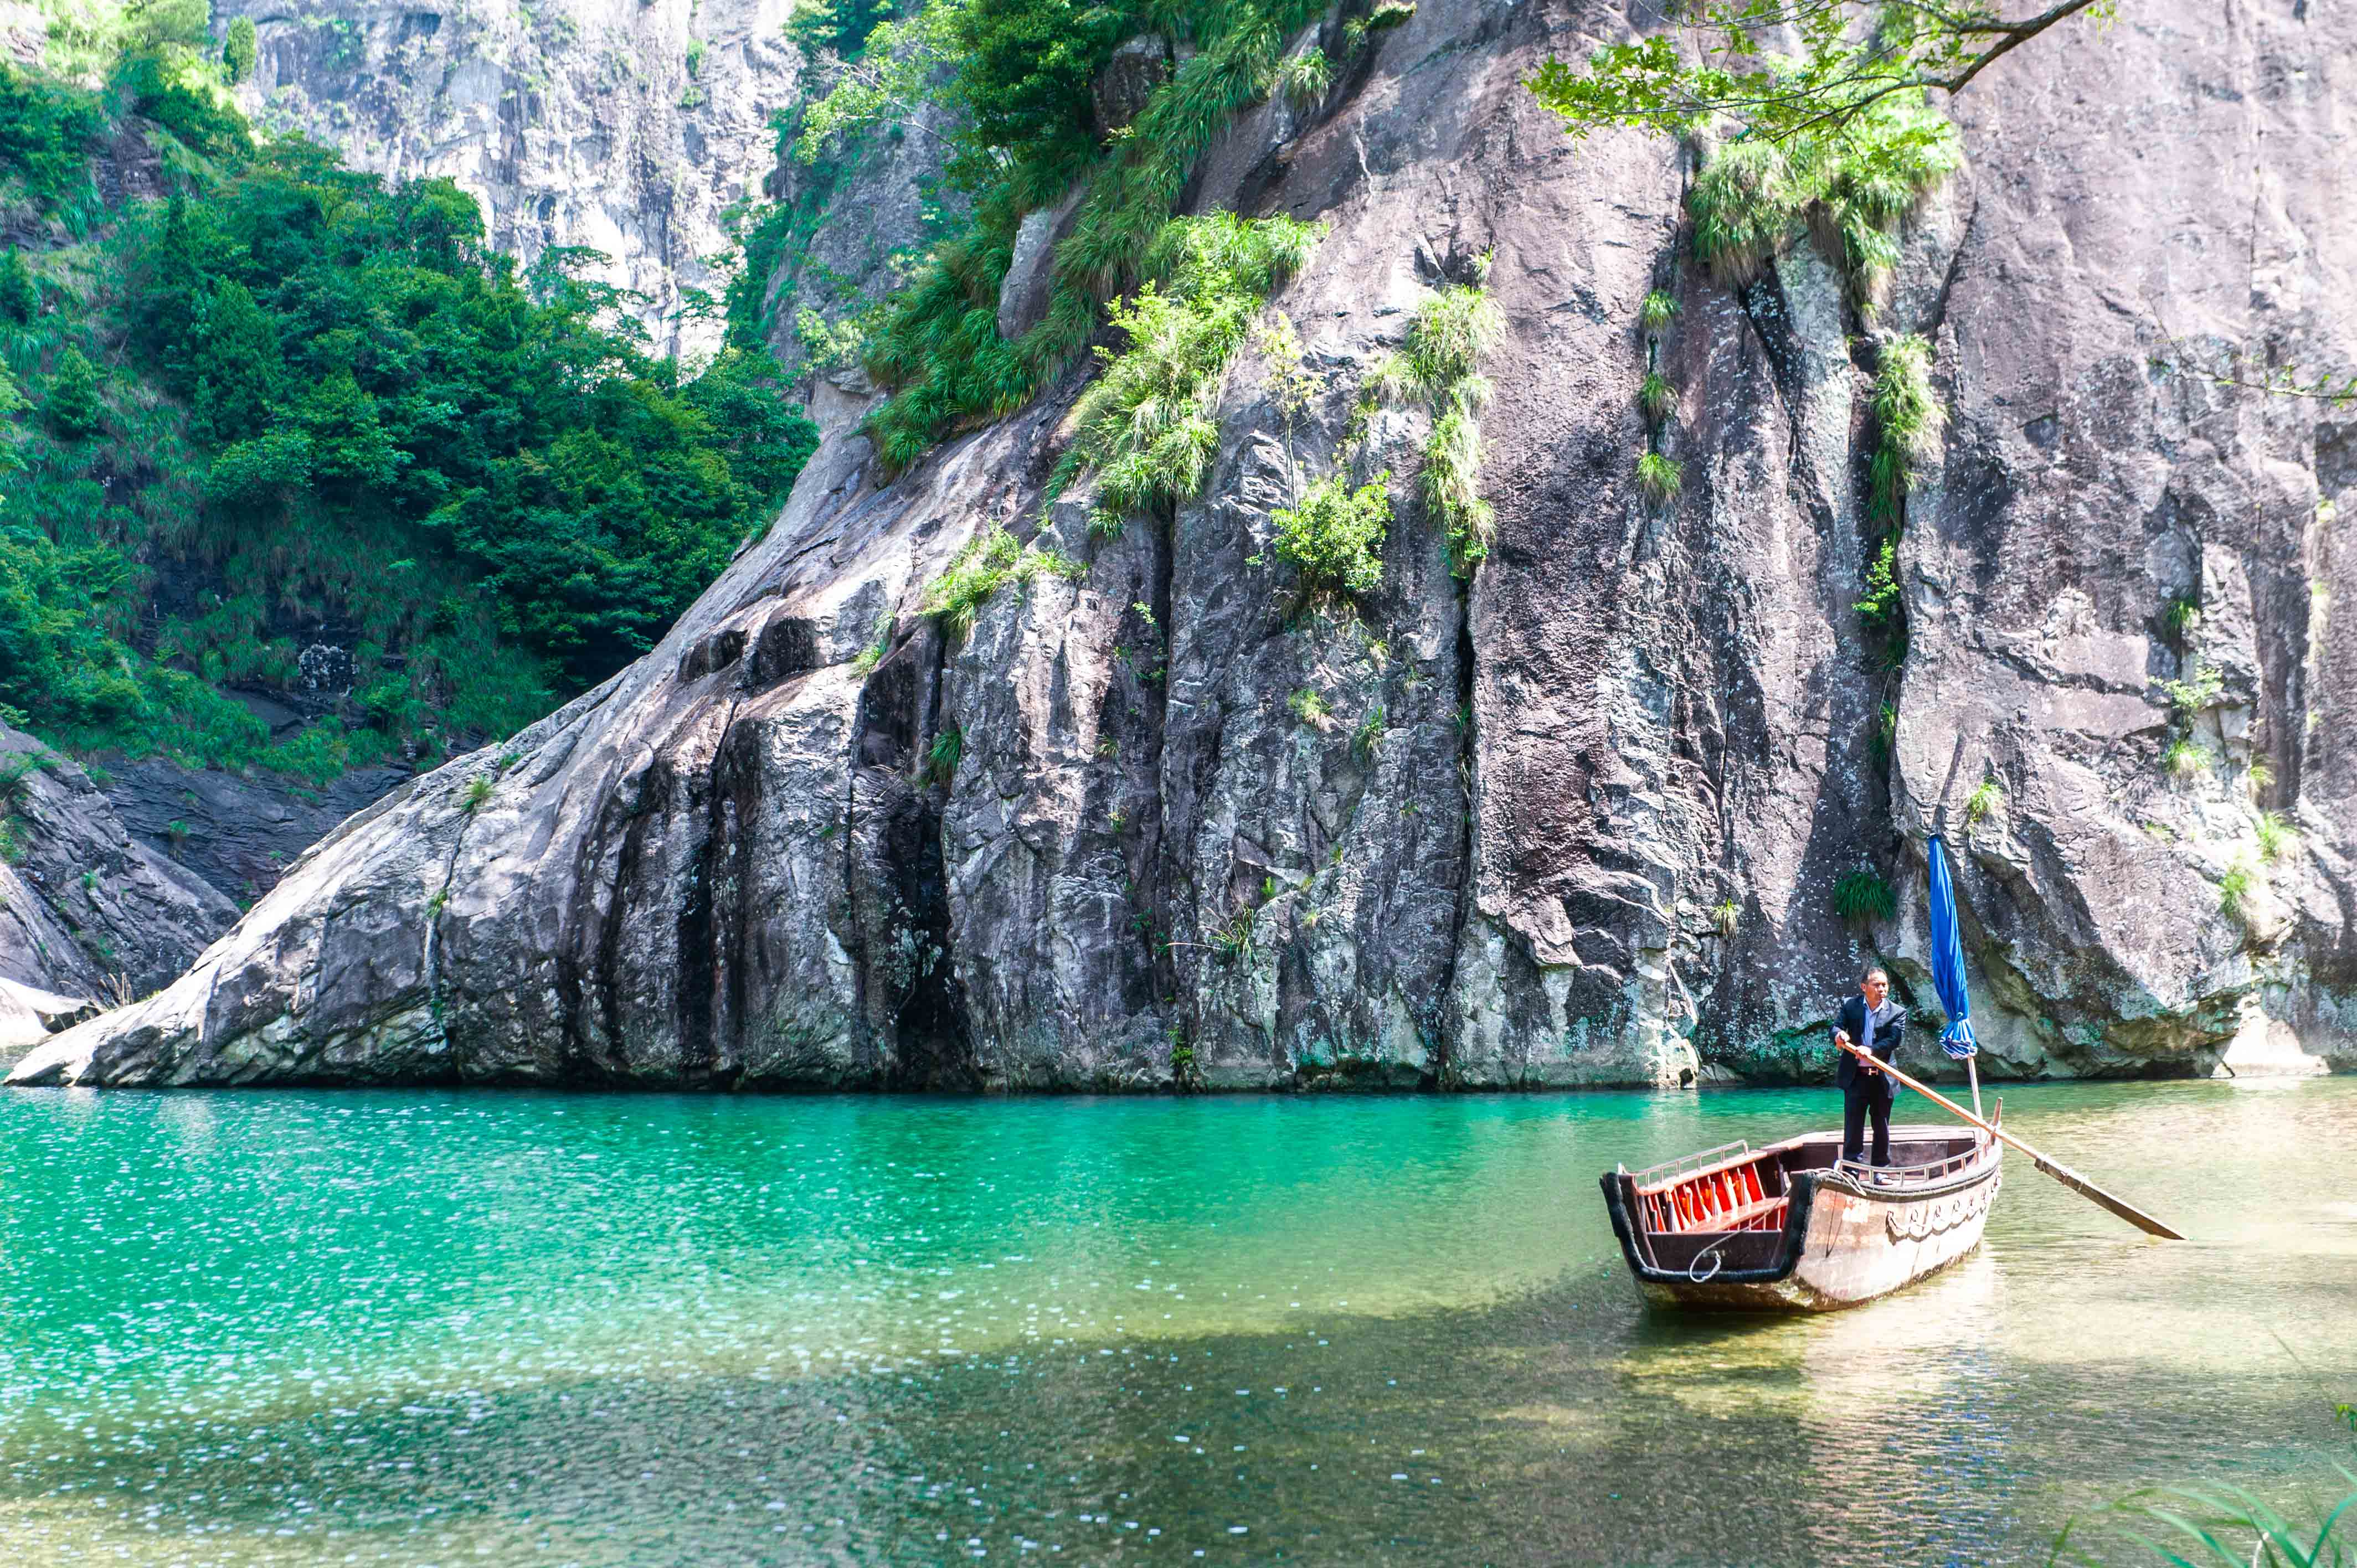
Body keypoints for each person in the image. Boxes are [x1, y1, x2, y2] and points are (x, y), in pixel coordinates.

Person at [1830, 966, 1906, 1169]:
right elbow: (1836, 1027)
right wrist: (1839, 1035)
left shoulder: (1897, 1012)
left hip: (1882, 1078)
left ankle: (1881, 1171)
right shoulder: (1851, 1007)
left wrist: (1871, 1051)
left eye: (1885, 985)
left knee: (1881, 1126)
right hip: (1856, 1077)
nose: (1882, 989)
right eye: (1877, 985)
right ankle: (1851, 1171)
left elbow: (1893, 1040)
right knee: (1853, 1127)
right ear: (1864, 987)